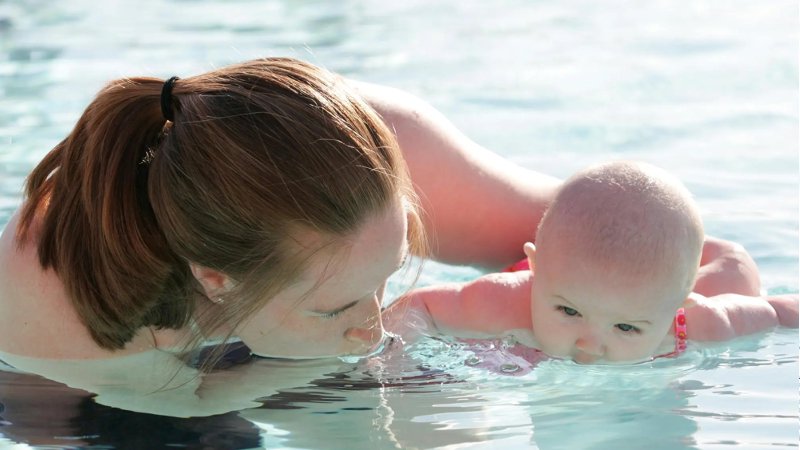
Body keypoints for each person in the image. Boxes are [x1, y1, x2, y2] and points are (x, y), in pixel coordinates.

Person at [0, 57, 762, 415]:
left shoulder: (389, 153)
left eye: (391, 271)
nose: (375, 326)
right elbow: (187, 405)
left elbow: (615, 238)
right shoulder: (62, 322)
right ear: (216, 280)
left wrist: (721, 298)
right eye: (340, 308)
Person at [386, 161, 798, 365]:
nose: (588, 344)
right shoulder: (507, 301)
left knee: (738, 277)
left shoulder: (695, 323)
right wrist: (392, 364)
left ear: (679, 309)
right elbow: (420, 306)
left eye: (625, 327)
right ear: (536, 269)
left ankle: (715, 255)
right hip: (585, 268)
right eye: (568, 311)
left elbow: (776, 311)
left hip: (692, 272)